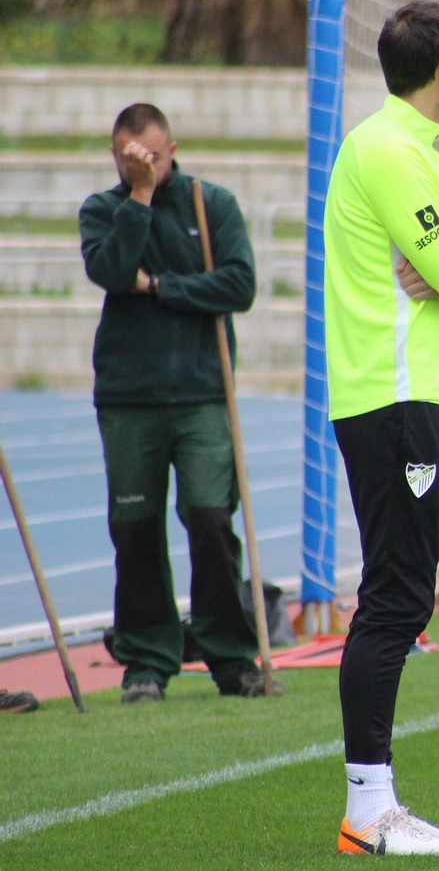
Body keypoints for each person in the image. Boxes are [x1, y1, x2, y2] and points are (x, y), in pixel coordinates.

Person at [324, 1, 439, 856]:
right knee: (395, 598)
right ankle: (369, 807)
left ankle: (375, 800)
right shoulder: (393, 152)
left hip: (416, 400)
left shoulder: (415, 152)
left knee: (404, 595)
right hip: (398, 403)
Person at [79, 102, 274, 705]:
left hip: (202, 395)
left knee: (212, 519)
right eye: (130, 157)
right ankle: (147, 660)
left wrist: (161, 287)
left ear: (172, 148)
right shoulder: (103, 210)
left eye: (153, 157)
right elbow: (112, 272)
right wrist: (138, 198)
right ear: (116, 154)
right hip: (128, 398)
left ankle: (230, 656)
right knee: (135, 528)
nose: (142, 165)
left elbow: (239, 284)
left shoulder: (208, 204)